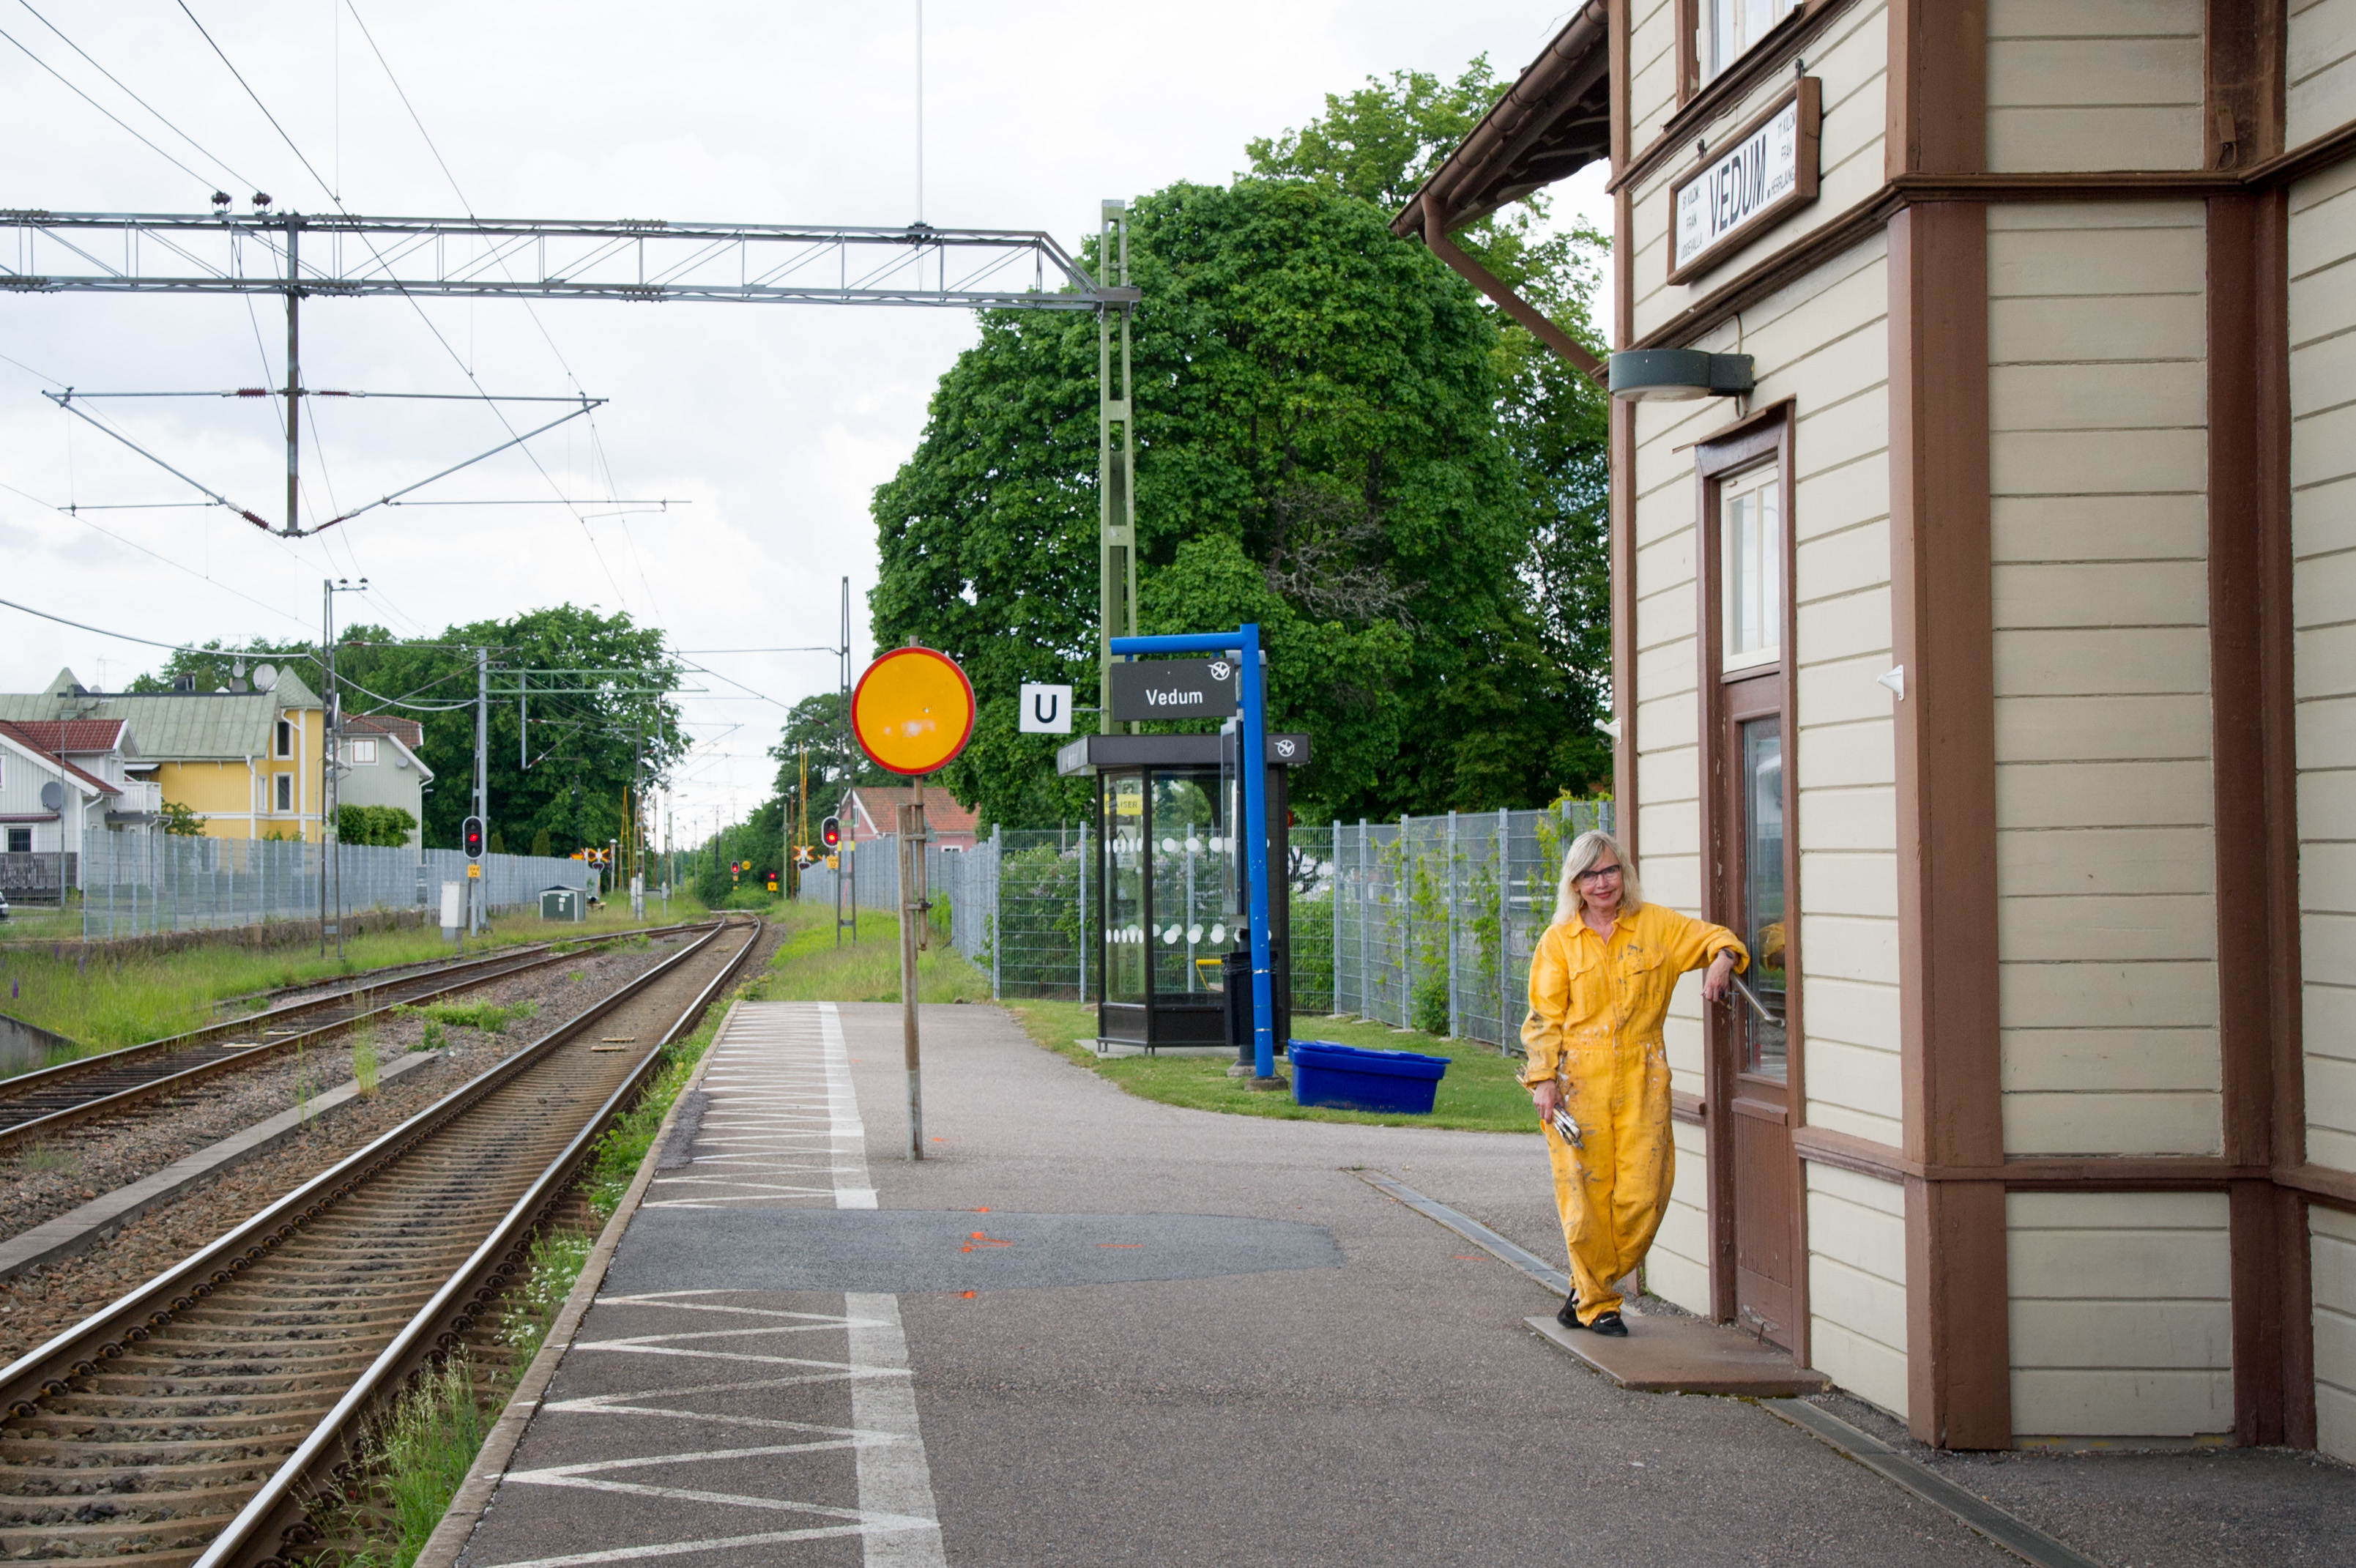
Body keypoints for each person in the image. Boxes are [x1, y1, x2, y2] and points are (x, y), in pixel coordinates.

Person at [1522, 829, 1745, 1337]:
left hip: (1644, 1076)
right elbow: (1542, 1017)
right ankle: (1600, 1303)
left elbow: (1719, 937)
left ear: (1624, 872)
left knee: (1645, 1194)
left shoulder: (1656, 926)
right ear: (1574, 883)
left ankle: (1585, 1286)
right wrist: (1543, 1079)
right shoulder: (1558, 941)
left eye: (1609, 870)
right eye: (1589, 874)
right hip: (1577, 1083)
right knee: (1584, 1200)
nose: (1601, 883)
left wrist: (1721, 963)